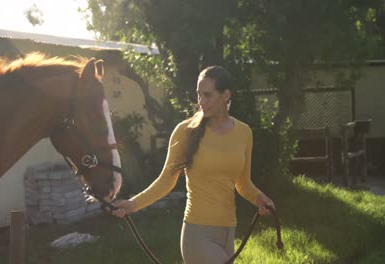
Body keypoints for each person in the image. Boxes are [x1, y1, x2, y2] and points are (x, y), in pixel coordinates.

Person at [111, 65, 275, 264]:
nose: (201, 102)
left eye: (207, 95)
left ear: (226, 95)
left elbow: (243, 182)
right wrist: (132, 204)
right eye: (199, 95)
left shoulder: (244, 132)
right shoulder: (185, 132)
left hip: (228, 232)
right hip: (197, 235)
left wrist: (259, 198)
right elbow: (166, 181)